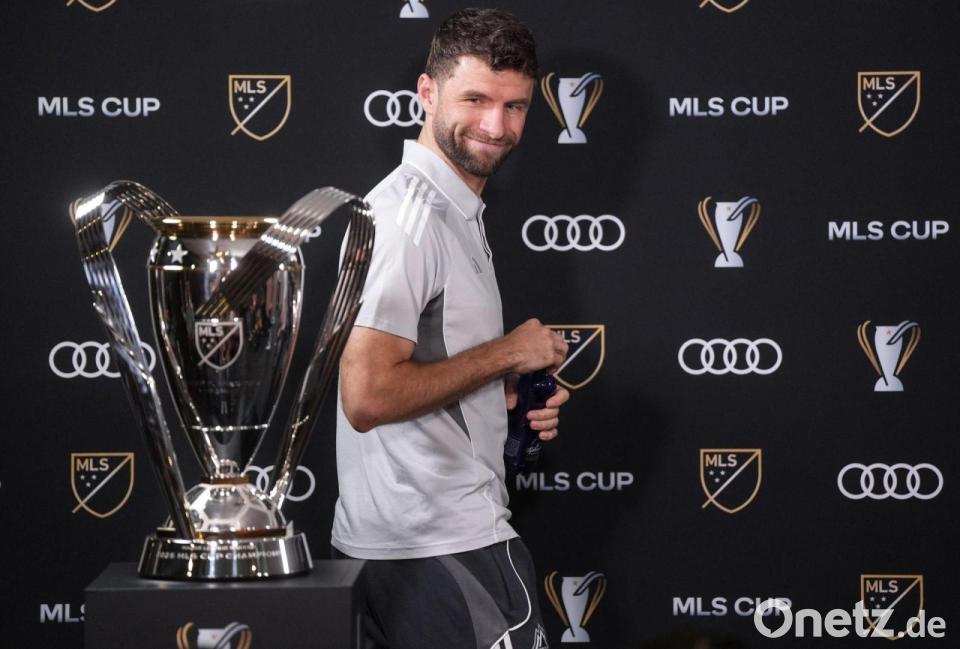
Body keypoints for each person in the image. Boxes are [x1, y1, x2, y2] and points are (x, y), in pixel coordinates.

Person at [333, 8, 570, 649]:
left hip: (415, 546)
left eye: (515, 107)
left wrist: (502, 394)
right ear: (427, 92)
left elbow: (421, 368)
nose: (496, 126)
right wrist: (505, 354)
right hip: (442, 545)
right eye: (476, 100)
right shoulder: (411, 218)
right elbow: (367, 395)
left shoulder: (448, 210)